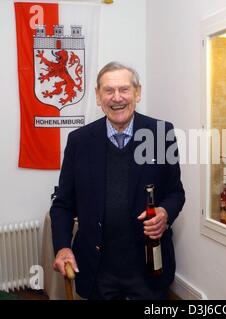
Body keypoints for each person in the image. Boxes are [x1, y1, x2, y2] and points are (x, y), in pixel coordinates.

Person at [50, 61, 185, 300]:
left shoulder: (162, 134)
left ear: (137, 92)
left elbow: (176, 192)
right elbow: (62, 204)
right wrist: (62, 246)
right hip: (97, 269)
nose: (117, 98)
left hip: (148, 267)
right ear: (98, 96)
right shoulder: (79, 141)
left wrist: (165, 211)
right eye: (108, 90)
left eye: (124, 89)